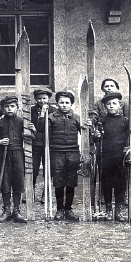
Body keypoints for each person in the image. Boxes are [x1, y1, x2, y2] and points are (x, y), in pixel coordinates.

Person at [92, 92, 131, 222]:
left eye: (114, 103)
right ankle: (109, 210)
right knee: (106, 185)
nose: (111, 106)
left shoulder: (126, 121)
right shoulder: (101, 121)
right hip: (105, 158)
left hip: (121, 159)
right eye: (108, 104)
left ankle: (118, 212)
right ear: (105, 106)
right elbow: (95, 141)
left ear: (119, 105)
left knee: (120, 185)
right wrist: (96, 136)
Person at [0, 95, 35, 223]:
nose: (9, 109)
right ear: (3, 108)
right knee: (4, 182)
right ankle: (6, 210)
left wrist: (33, 130)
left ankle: (16, 211)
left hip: (18, 154)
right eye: (6, 107)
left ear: (17, 107)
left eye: (12, 106)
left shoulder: (22, 122)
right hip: (3, 155)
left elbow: (31, 138)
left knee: (18, 181)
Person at [45, 91, 83, 222]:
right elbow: (43, 132)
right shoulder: (51, 117)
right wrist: (42, 118)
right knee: (59, 182)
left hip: (73, 152)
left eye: (67, 103)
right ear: (57, 104)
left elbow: (84, 134)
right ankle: (59, 209)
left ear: (72, 104)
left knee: (71, 182)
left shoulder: (77, 117)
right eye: (61, 102)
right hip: (56, 152)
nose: (64, 105)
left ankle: (68, 209)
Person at [30, 87, 56, 203]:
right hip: (35, 143)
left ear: (49, 98)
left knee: (48, 169)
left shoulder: (54, 111)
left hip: (49, 143)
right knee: (33, 168)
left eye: (44, 98)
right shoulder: (31, 110)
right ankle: (31, 192)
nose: (42, 101)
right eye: (39, 98)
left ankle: (45, 194)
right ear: (35, 99)